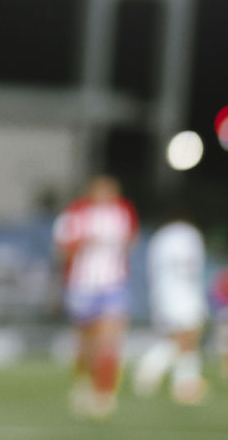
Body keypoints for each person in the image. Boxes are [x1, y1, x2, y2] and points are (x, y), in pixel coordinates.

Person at [53, 175, 139, 419]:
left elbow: (131, 241)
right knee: (86, 343)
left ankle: (104, 393)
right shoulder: (76, 213)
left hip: (113, 284)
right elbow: (62, 249)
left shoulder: (123, 212)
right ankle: (83, 382)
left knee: (109, 340)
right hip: (82, 284)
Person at [133, 206, 209, 404]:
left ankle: (182, 381)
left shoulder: (159, 237)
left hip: (162, 291)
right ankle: (164, 371)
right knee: (188, 336)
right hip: (183, 290)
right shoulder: (190, 234)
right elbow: (192, 265)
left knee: (180, 337)